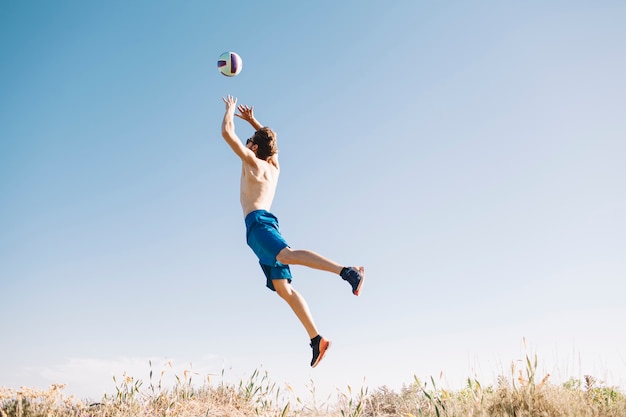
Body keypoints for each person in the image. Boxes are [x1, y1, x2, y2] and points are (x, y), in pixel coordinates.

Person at [220, 95, 364, 368]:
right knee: (283, 288)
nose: (247, 141)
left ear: (254, 147)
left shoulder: (253, 163)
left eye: (251, 139)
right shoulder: (273, 167)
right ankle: (316, 340)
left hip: (259, 224)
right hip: (263, 224)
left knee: (287, 255)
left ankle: (348, 271)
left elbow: (228, 133)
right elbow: (271, 147)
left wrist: (229, 111)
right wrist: (253, 121)